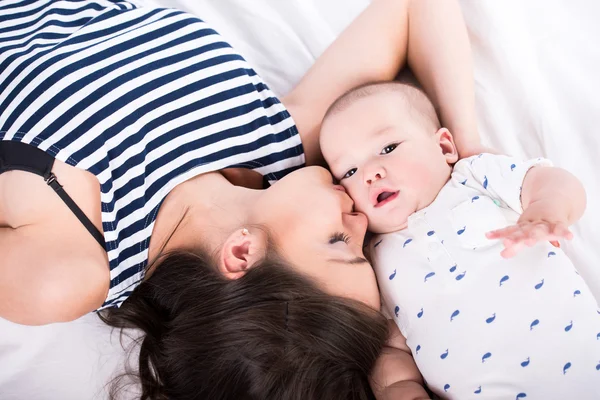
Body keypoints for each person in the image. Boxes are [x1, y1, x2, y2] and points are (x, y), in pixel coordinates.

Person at [1, 0, 482, 398]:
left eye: (341, 244)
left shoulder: (69, 270)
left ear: (241, 252)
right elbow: (415, 8)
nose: (362, 220)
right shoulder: (274, 146)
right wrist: (473, 161)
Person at [320, 81, 600, 399]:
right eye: (350, 170)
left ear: (444, 148)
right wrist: (400, 388)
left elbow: (551, 181)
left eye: (387, 148)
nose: (370, 173)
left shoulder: (475, 177)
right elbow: (389, 346)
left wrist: (546, 209)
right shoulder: (371, 256)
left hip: (582, 365)